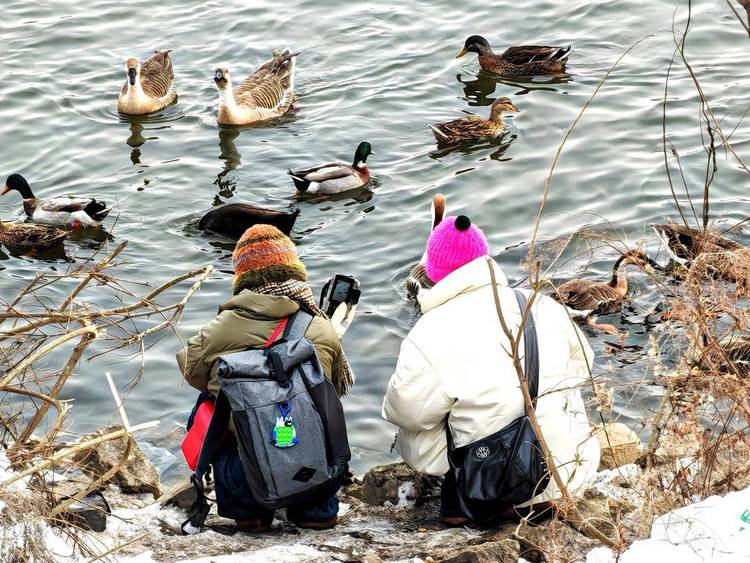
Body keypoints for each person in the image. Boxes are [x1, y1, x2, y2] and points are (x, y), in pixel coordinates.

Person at [382, 215, 600, 526]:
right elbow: (584, 367)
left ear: (434, 270)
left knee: (415, 429)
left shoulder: (432, 327)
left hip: (494, 476)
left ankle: (478, 500)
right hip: (569, 466)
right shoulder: (541, 304)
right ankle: (544, 495)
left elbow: (406, 413)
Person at [177, 224, 354, 532]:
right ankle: (316, 512)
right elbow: (334, 388)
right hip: (315, 472)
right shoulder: (321, 327)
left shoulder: (220, 328)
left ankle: (249, 513)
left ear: (242, 277)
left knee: (211, 399)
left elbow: (192, 372)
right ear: (293, 270)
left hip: (248, 474)